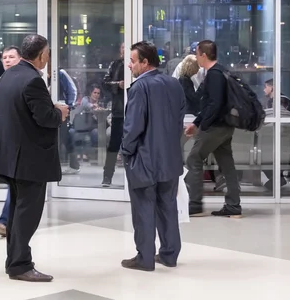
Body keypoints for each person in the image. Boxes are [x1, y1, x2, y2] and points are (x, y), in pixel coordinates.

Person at [0, 34, 69, 282]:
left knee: (17, 212)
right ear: (41, 55)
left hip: (11, 158)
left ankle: (14, 261)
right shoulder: (33, 80)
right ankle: (20, 265)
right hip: (30, 160)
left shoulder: (8, 76)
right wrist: (59, 113)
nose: (48, 57)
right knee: (27, 214)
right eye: (47, 52)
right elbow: (44, 118)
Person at [120, 42, 186, 272]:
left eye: (132, 61)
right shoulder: (173, 84)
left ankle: (145, 257)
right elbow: (179, 122)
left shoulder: (140, 88)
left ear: (145, 62)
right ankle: (169, 254)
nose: (129, 65)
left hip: (144, 159)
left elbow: (133, 126)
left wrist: (125, 151)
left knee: (143, 208)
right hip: (169, 157)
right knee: (167, 206)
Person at [184, 40, 242, 218]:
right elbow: (212, 104)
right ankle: (233, 205)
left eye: (197, 53)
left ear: (203, 54)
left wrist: (202, 125)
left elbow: (214, 104)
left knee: (194, 158)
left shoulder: (214, 74)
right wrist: (197, 122)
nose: (196, 58)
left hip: (216, 127)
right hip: (224, 126)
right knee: (226, 163)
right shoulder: (222, 71)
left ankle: (195, 204)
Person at [0, 46, 22, 237]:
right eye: (5, 58)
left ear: (20, 59)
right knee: (13, 180)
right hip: (4, 138)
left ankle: (7, 221)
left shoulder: (28, 80)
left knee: (16, 181)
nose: (7, 60)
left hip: (23, 139)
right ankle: (7, 221)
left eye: (12, 57)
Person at [101, 43, 125, 186]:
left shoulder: (137, 65)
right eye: (122, 48)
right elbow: (105, 83)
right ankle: (107, 176)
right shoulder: (115, 65)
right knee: (113, 145)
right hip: (118, 110)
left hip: (134, 111)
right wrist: (118, 84)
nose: (124, 50)